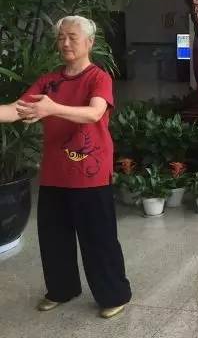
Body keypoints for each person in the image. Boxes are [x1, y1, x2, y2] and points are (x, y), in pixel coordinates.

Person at [0, 16, 131, 318]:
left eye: (72, 36)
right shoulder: (49, 81)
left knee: (98, 239)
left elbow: (94, 113)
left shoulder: (98, 77)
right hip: (55, 173)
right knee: (54, 238)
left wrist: (52, 107)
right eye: (61, 37)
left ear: (90, 42)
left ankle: (114, 295)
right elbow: (17, 110)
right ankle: (62, 289)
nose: (66, 42)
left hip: (90, 173)